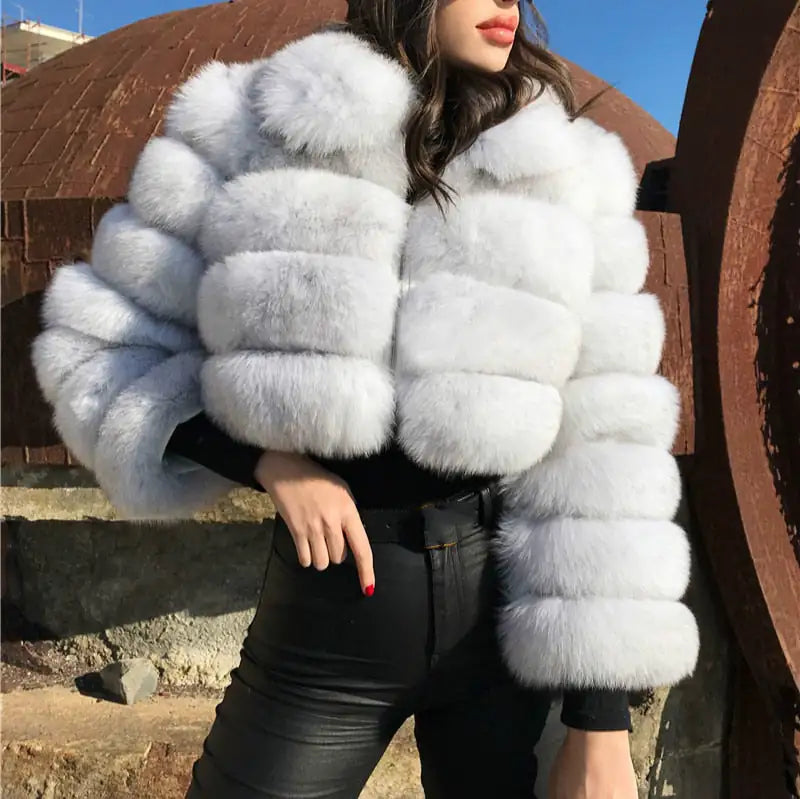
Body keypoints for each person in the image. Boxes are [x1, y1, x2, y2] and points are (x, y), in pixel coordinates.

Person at [31, 1, 700, 797]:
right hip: (332, 616)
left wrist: (600, 718)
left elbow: (607, 438)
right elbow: (99, 349)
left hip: (510, 622)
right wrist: (267, 461)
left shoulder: (568, 165)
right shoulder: (246, 125)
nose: (508, 4)